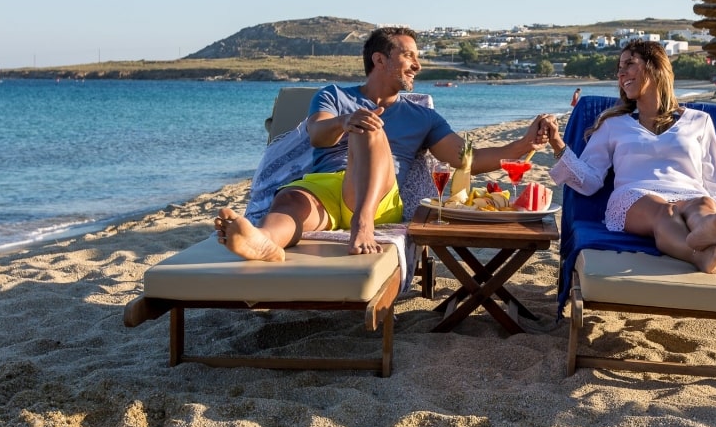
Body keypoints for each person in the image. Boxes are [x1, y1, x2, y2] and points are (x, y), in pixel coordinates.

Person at [216, 26, 550, 261]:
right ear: (380, 60)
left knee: (371, 129)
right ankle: (263, 242)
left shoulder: (422, 117)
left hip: (380, 198)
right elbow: (316, 135)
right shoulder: (332, 95)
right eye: (409, 56)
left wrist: (523, 144)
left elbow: (467, 159)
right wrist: (345, 120)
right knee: (291, 201)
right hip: (328, 188)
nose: (418, 65)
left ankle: (362, 223)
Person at [540, 39, 716, 274]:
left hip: (689, 193)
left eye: (629, 64)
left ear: (655, 66)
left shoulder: (699, 121)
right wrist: (557, 143)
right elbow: (589, 181)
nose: (621, 74)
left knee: (704, 204)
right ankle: (700, 256)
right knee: (664, 212)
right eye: (619, 69)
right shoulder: (613, 124)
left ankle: (710, 228)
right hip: (635, 196)